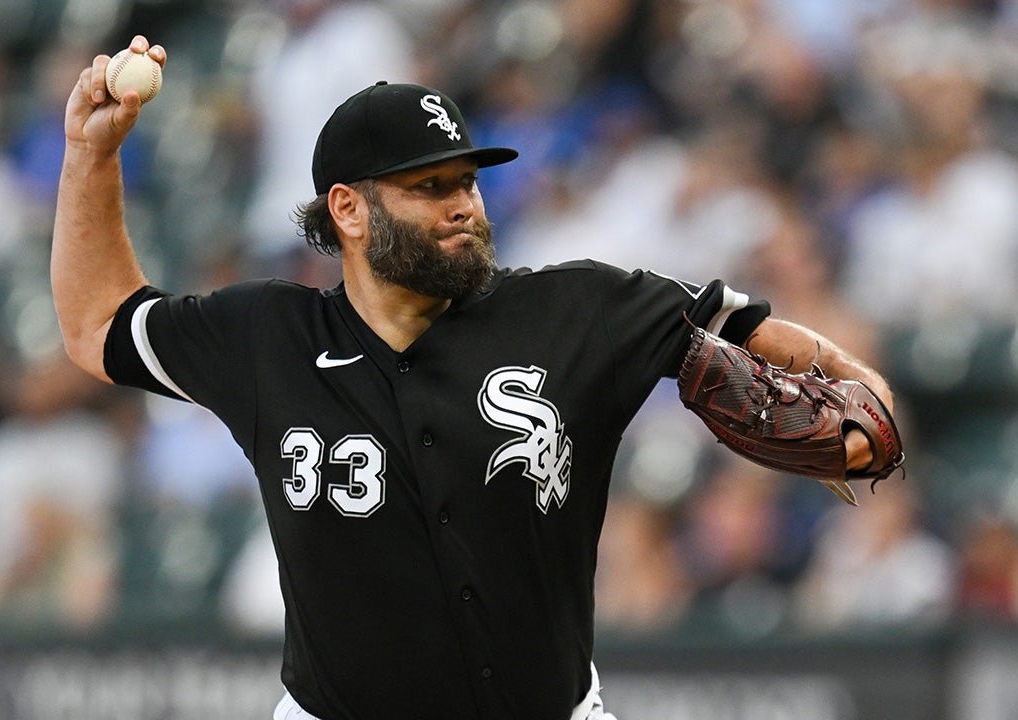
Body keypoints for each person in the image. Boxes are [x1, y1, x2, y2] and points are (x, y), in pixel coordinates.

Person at [52, 35, 896, 720]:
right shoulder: (266, 335)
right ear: (349, 210)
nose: (465, 205)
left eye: (468, 180)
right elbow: (97, 326)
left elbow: (790, 344)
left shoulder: (582, 308)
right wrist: (93, 157)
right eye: (431, 187)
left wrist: (869, 410)